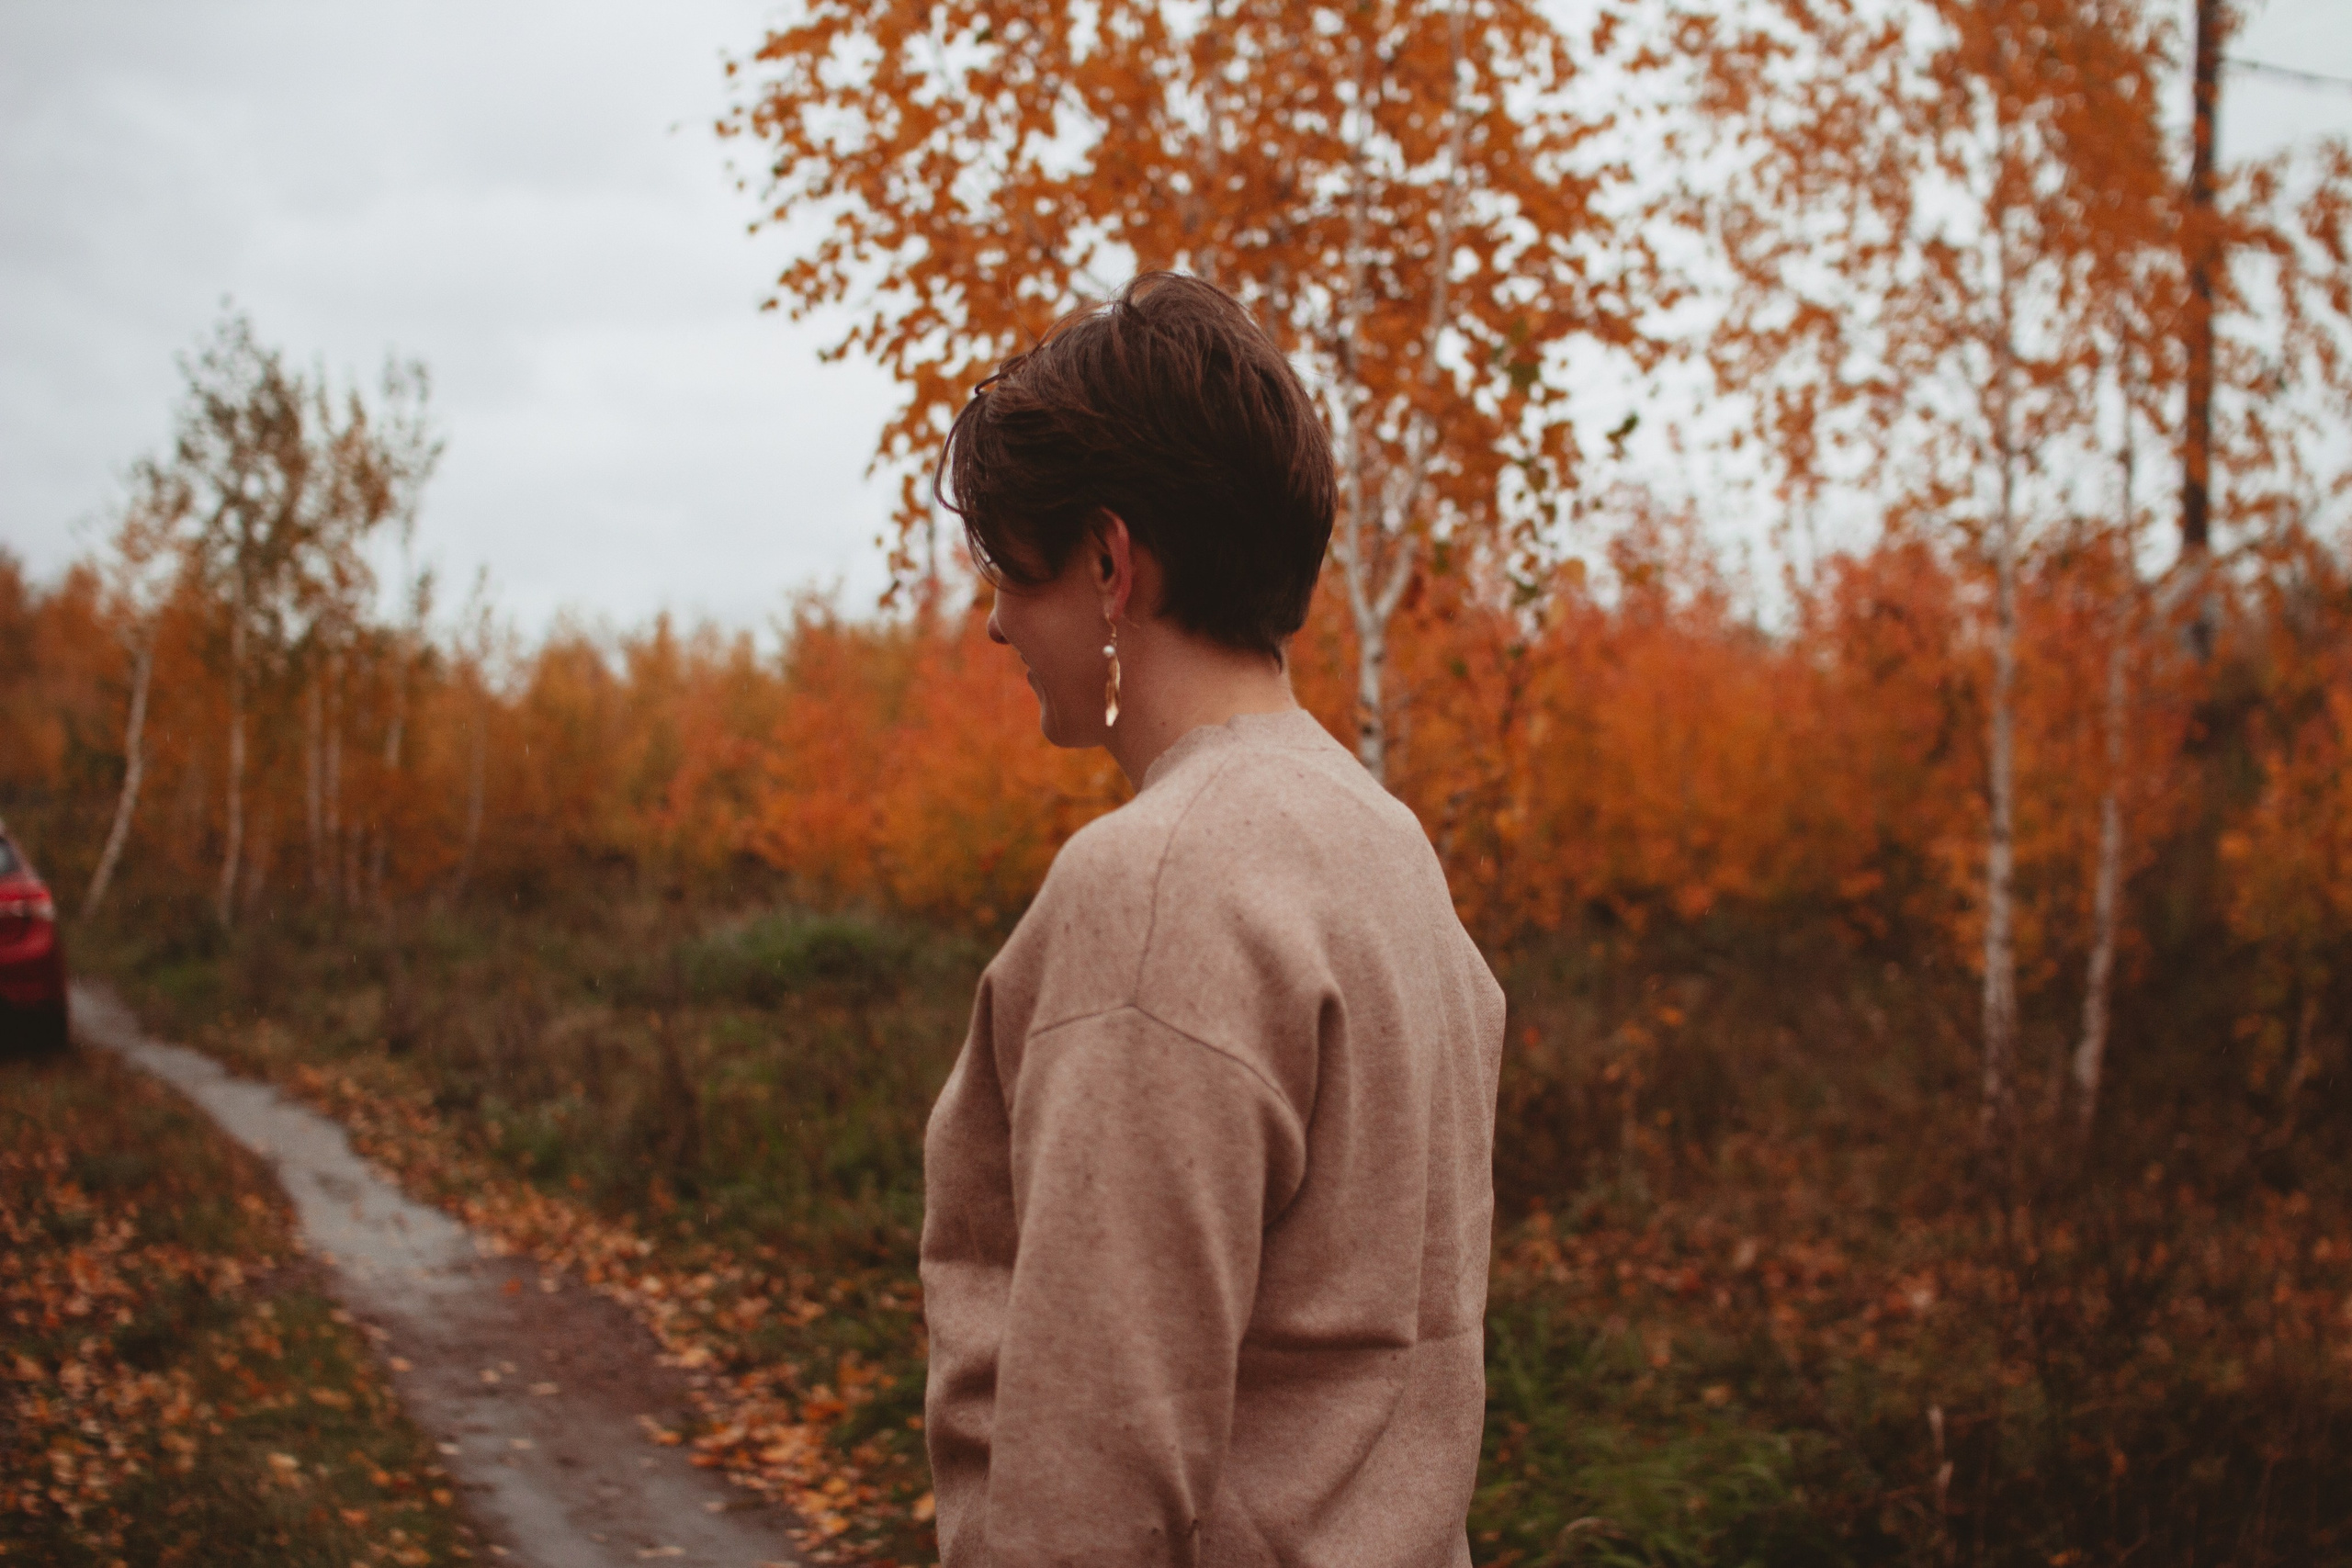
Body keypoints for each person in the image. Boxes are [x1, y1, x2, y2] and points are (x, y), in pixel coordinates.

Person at [921, 271, 1506, 1567]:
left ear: (1112, 562)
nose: (1000, 618)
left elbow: (1091, 1475)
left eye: (1011, 565)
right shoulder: (1391, 851)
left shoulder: (1154, 886)